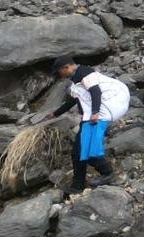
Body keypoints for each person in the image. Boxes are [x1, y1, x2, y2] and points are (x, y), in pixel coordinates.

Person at [46, 56, 130, 192]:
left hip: (102, 111)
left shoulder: (84, 72)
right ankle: (77, 186)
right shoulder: (77, 80)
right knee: (78, 152)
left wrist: (95, 112)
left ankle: (107, 174)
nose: (60, 76)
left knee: (89, 150)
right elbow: (73, 101)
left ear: (66, 67)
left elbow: (95, 91)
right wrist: (55, 113)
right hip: (94, 114)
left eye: (59, 72)